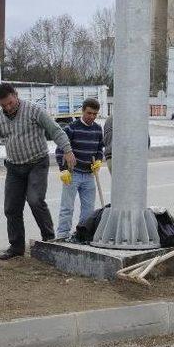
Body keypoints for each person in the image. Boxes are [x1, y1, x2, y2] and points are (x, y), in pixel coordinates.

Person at [0, 83, 76, 260]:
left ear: (16, 95)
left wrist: (67, 150)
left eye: (10, 102)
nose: (8, 108)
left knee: (35, 199)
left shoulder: (34, 110)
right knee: (11, 208)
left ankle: (49, 240)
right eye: (3, 105)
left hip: (37, 163)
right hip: (14, 168)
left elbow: (55, 130)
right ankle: (16, 247)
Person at [55, 98, 104, 241]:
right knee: (67, 208)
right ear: (82, 111)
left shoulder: (97, 129)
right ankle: (62, 236)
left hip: (89, 175)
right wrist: (63, 169)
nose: (92, 117)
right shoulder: (71, 128)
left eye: (95, 114)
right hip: (72, 174)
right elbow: (60, 149)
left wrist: (99, 161)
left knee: (88, 210)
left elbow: (99, 148)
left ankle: (82, 235)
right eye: (89, 113)